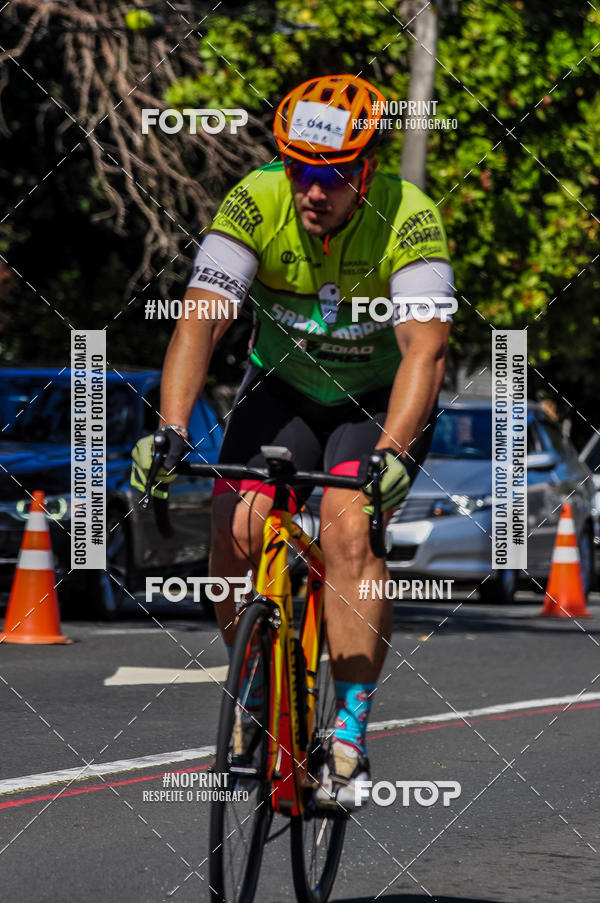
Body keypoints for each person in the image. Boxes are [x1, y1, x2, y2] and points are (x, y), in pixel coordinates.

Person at [132, 74, 454, 810]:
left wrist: (394, 454)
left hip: (374, 401)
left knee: (347, 530)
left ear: (366, 168)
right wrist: (172, 428)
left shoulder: (410, 217)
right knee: (233, 521)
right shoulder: (256, 199)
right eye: (301, 170)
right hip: (281, 388)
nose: (315, 191)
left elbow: (424, 352)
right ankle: (251, 693)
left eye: (334, 175)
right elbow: (202, 319)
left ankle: (348, 732)